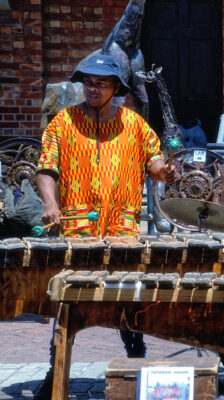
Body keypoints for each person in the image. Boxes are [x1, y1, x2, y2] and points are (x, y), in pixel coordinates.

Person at [35, 54, 175, 398]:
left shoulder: (135, 124)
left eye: (101, 83)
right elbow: (46, 168)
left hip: (122, 229)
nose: (92, 88)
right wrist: (51, 204)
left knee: (130, 300)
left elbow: (154, 162)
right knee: (68, 304)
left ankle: (137, 360)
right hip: (78, 230)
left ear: (116, 88)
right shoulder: (63, 123)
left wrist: (165, 172)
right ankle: (56, 371)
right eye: (88, 82)